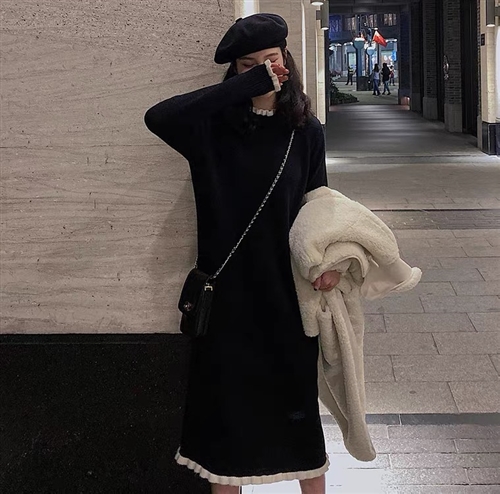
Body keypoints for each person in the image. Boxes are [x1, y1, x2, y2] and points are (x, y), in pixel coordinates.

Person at [144, 13, 341, 494]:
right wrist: (244, 88)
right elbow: (158, 117)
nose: (264, 71)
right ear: (234, 72)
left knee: (299, 423)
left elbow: (319, 204)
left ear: (287, 59)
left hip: (286, 296)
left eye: (271, 60)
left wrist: (330, 262)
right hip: (227, 303)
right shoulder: (210, 130)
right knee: (225, 432)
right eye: (248, 65)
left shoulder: (305, 130)